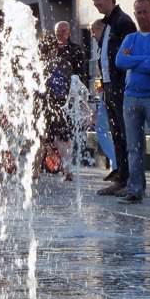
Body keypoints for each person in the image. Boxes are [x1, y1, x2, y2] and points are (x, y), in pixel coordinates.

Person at [114, 0, 150, 205]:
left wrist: (134, 60)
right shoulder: (130, 38)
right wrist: (144, 59)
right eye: (138, 12)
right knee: (133, 146)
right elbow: (119, 61)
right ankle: (135, 189)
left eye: (145, 12)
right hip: (131, 97)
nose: (141, 16)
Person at [91, 0, 137, 196]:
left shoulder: (123, 22)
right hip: (109, 86)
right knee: (117, 133)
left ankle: (129, 180)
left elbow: (126, 57)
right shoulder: (108, 23)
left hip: (120, 86)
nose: (95, 3)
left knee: (125, 133)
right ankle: (122, 177)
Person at [42, 21, 86, 181]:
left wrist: (81, 97)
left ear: (69, 32)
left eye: (64, 30)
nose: (61, 33)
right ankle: (41, 167)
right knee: (43, 133)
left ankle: (67, 168)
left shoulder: (75, 50)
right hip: (46, 97)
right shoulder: (46, 48)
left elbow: (81, 74)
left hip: (66, 98)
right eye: (59, 30)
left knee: (64, 134)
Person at [90, 19, 116, 173]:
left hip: (109, 93)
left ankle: (116, 162)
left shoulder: (107, 46)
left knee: (103, 129)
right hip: (104, 93)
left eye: (95, 31)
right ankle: (115, 162)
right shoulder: (101, 48)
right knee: (103, 129)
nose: (93, 35)